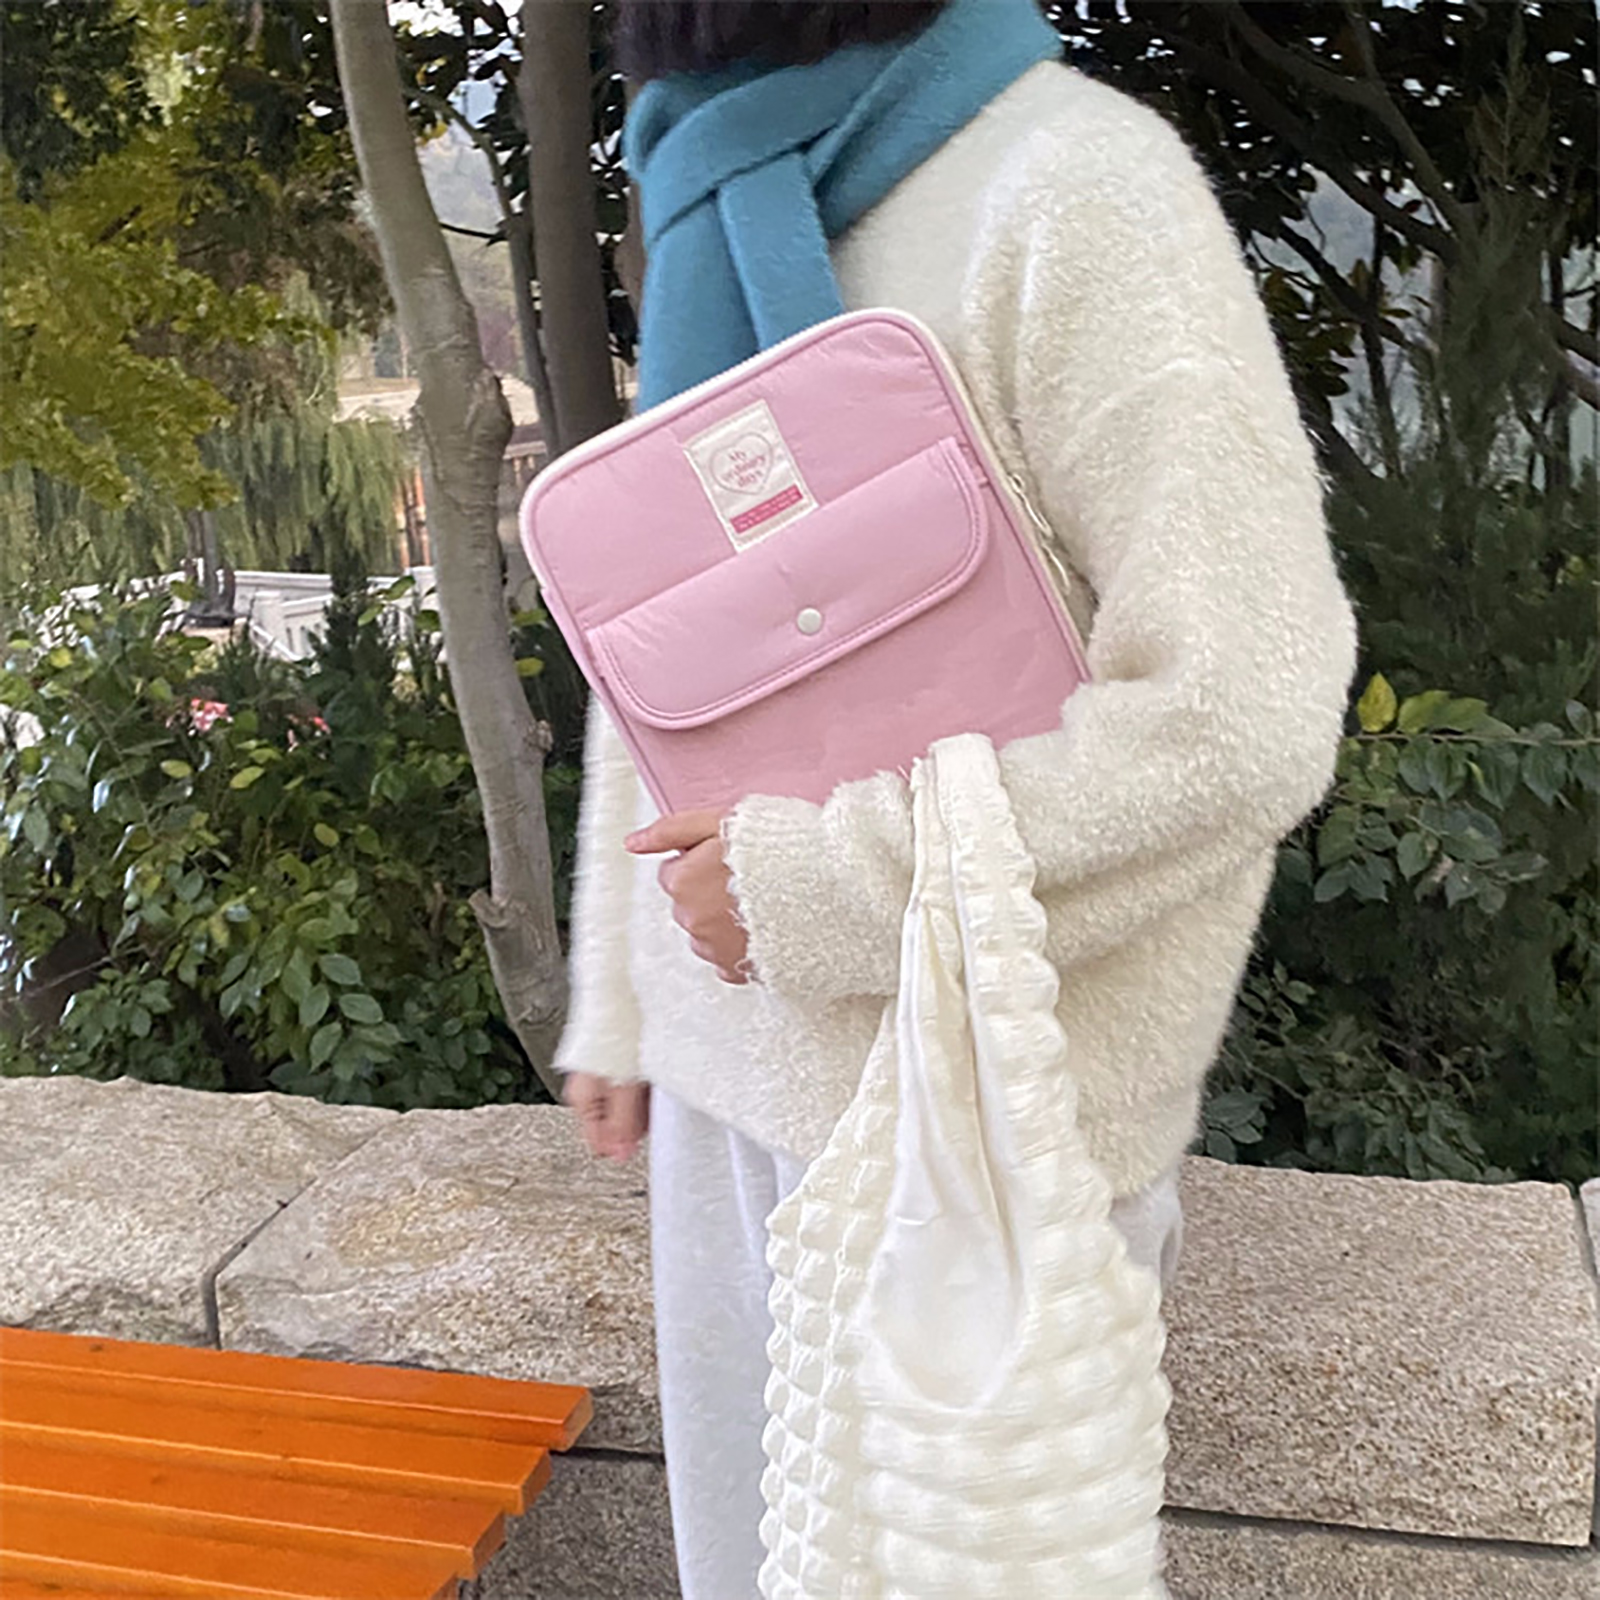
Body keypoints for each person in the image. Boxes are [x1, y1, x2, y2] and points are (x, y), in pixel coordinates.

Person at [559, 2, 1358, 1594]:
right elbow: (671, 633)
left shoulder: (1077, 183)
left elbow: (1243, 709)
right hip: (731, 1083)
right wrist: (627, 996)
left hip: (994, 1126)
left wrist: (819, 885)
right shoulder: (716, 180)